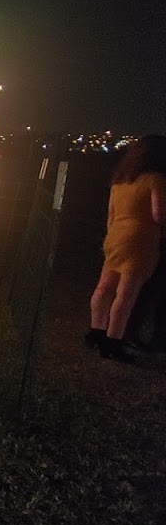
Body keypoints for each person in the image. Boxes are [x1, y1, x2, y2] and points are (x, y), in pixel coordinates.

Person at [87, 135, 166, 360]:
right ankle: (113, 342)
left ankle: (96, 332)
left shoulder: (119, 181)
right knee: (126, 294)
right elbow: (159, 214)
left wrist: (111, 237)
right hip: (140, 239)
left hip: (116, 236)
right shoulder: (155, 180)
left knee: (104, 288)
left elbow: (110, 216)